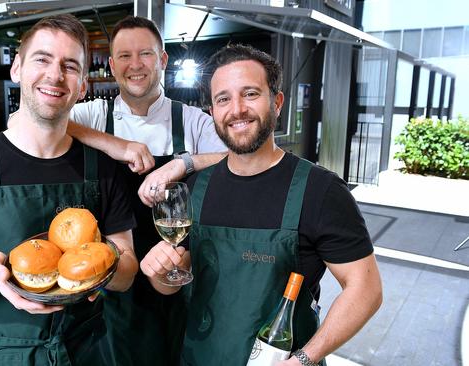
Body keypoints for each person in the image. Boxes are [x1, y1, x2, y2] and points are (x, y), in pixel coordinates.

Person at [140, 44, 383, 366]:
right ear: (212, 111)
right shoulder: (195, 188)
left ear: (277, 102)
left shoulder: (320, 190)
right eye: (223, 99)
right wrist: (159, 273)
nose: (237, 109)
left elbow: (365, 290)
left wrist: (304, 359)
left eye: (250, 93)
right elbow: (173, 283)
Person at [0, 14, 138, 366]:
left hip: (89, 351)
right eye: (42, 59)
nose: (54, 74)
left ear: (82, 86)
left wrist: (100, 273)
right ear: (17, 68)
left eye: (70, 66)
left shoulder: (104, 169)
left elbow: (126, 273)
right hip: (2, 355)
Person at [66, 16, 226, 366]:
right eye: (124, 56)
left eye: (145, 54)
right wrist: (116, 145)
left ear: (163, 60)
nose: (134, 65)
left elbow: (240, 157)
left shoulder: (191, 120)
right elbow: (25, 121)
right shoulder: (94, 114)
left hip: (176, 278)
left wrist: (183, 163)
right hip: (112, 283)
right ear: (111, 65)